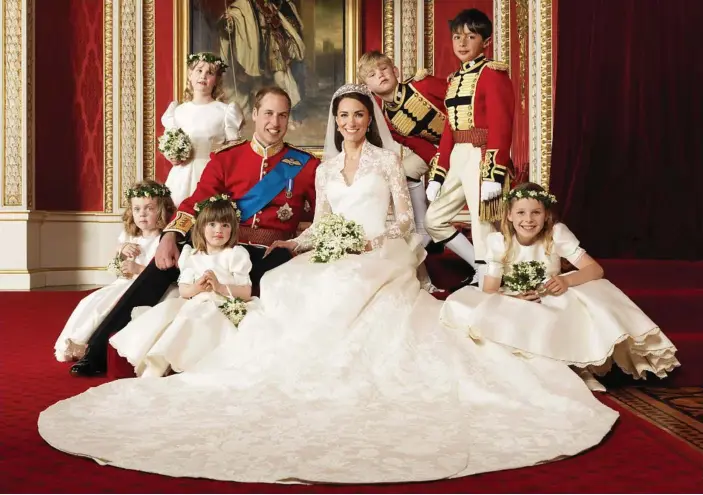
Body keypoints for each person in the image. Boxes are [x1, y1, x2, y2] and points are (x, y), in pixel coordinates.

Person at [40, 84, 618, 484]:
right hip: (274, 242)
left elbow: (395, 220)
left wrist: (356, 242)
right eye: (341, 117)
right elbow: (303, 220)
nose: (349, 124)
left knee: (322, 286)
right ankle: (113, 349)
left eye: (358, 116)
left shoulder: (351, 163)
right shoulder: (275, 163)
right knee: (269, 282)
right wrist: (275, 241)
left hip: (366, 251)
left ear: (365, 118)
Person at [68, 86, 319, 377]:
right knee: (162, 266)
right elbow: (194, 203)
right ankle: (98, 350)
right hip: (217, 244)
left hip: (267, 254)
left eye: (282, 115)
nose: (274, 123)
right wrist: (170, 237)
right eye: (268, 114)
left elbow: (321, 215)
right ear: (254, 114)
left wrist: (296, 244)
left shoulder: (306, 165)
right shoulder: (227, 159)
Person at [441, 182, 681, 391]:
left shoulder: (556, 234)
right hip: (516, 297)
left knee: (586, 296)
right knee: (482, 309)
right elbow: (490, 291)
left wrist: (566, 280)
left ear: (546, 215)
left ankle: (580, 367)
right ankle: (541, 370)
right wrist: (514, 298)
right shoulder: (499, 242)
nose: (528, 219)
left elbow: (595, 270)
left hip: (552, 296)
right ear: (510, 216)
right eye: (521, 212)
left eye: (536, 212)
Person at [110, 197, 255, 378]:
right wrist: (197, 287)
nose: (218, 230)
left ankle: (169, 362)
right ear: (201, 227)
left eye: (225, 225)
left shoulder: (235, 254)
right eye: (212, 224)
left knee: (194, 321)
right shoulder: (192, 255)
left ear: (233, 228)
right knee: (169, 317)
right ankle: (156, 363)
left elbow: (246, 291)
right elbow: (185, 291)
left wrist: (219, 287)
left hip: (222, 304)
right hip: (196, 301)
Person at [424, 9, 515, 289]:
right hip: (458, 155)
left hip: (483, 154)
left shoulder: (493, 74)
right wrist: (438, 175)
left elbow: (502, 126)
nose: (462, 43)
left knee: (482, 219)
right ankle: (479, 266)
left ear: (485, 42)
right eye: (456, 37)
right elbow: (449, 129)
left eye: (470, 36)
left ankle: (488, 276)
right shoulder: (454, 79)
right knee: (434, 219)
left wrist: (493, 174)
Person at [53, 180, 176, 362]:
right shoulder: (130, 236)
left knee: (110, 306)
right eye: (137, 209)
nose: (142, 214)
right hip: (124, 282)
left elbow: (163, 275)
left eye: (149, 208)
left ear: (163, 210)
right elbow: (117, 254)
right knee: (91, 302)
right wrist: (122, 249)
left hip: (144, 287)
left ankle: (90, 345)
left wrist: (138, 269)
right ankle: (76, 340)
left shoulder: (164, 240)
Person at [358, 50, 448, 248]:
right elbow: (419, 145)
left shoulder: (422, 85)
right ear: (367, 87)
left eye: (383, 69)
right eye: (372, 75)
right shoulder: (387, 119)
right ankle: (424, 231)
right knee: (403, 173)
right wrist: (440, 164)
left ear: (395, 71)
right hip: (438, 150)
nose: (380, 75)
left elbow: (459, 103)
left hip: (464, 141)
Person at [162, 52, 244, 207]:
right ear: (190, 75)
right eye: (199, 70)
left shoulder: (225, 111)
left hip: (211, 174)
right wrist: (172, 156)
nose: (203, 76)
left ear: (216, 80)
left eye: (210, 73)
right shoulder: (178, 111)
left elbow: (234, 151)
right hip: (181, 176)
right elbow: (170, 142)